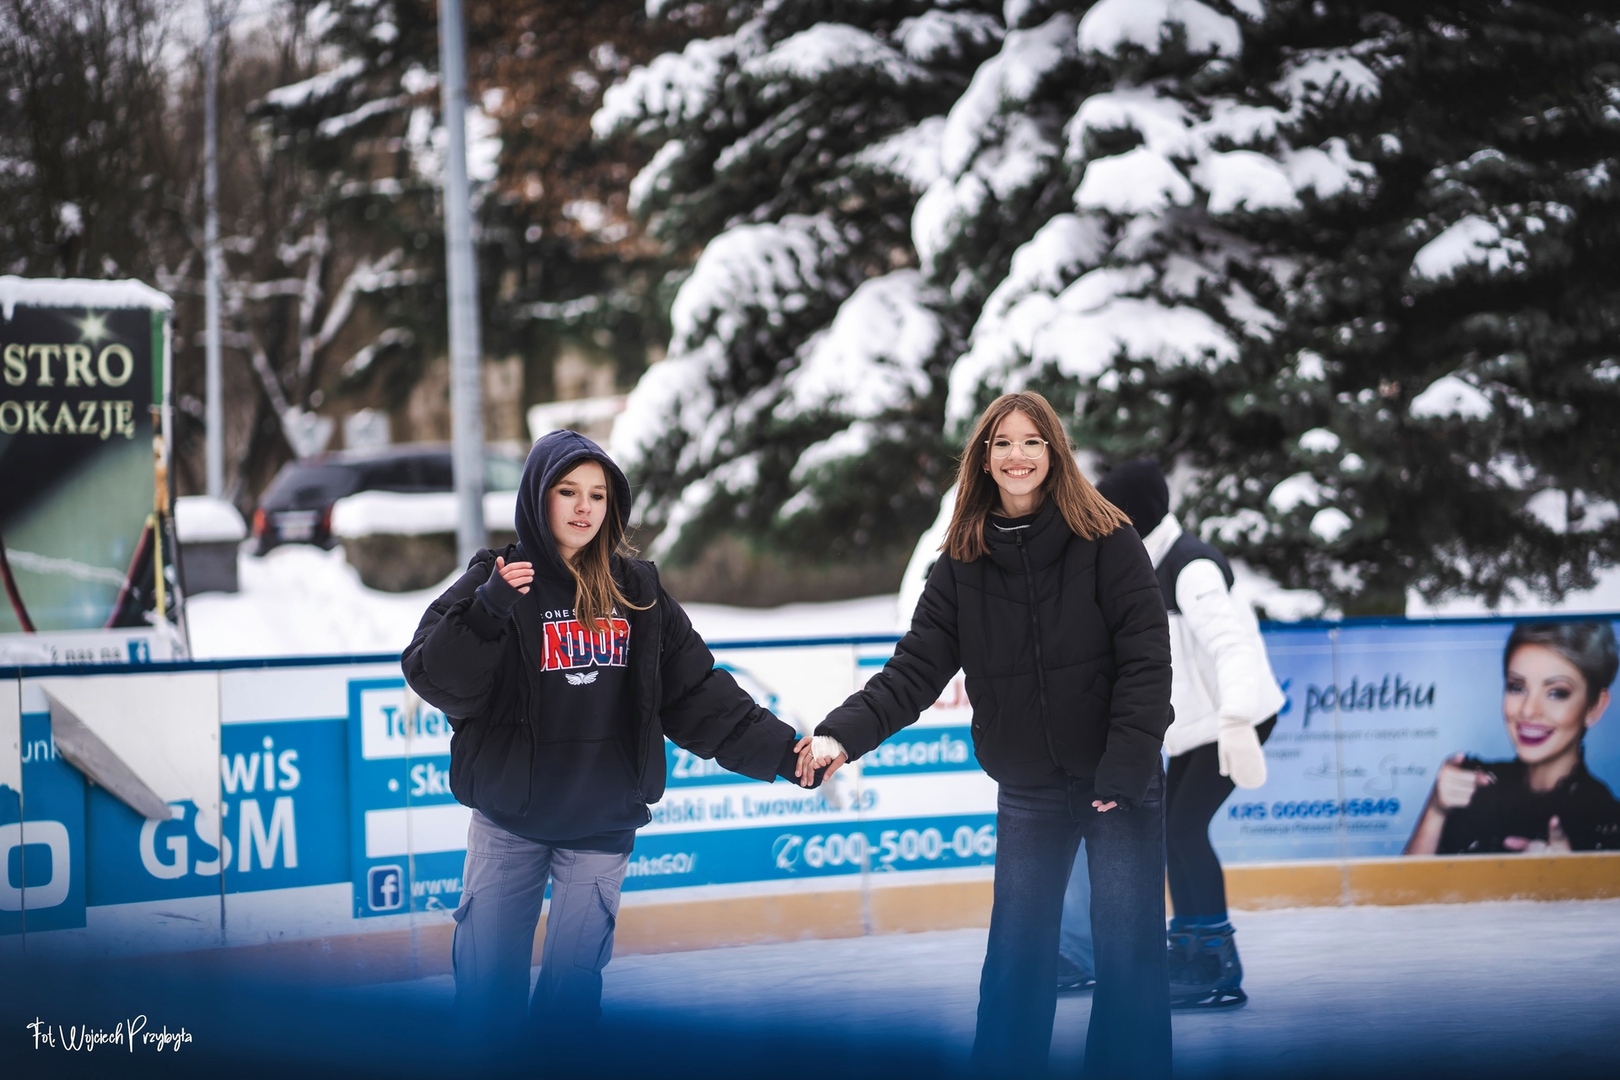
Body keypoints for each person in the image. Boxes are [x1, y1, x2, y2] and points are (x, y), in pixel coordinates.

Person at [402, 430, 822, 1042]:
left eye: (598, 495)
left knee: (570, 1011)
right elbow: (436, 678)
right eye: (567, 491)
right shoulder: (498, 580)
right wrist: (489, 608)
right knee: (487, 1002)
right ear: (536, 497)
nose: (583, 507)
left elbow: (697, 693)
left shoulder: (637, 593)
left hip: (599, 826)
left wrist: (784, 753)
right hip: (508, 823)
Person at [803, 392, 1174, 1079]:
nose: (1018, 455)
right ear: (983, 457)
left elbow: (1148, 661)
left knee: (1129, 958)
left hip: (1117, 782)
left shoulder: (1108, 540)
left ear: (1054, 452)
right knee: (1017, 958)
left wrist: (1125, 769)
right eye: (1002, 442)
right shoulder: (963, 563)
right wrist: (839, 736)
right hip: (1030, 788)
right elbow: (913, 671)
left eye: (1032, 441)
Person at [1054, 459, 1283, 1010]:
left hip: (1232, 721)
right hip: (1194, 730)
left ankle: (1213, 961)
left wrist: (1235, 719)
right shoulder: (1144, 561)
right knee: (1169, 833)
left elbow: (1233, 647)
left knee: (1182, 830)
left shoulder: (1191, 568)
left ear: (1136, 514)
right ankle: (1191, 950)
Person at [1405, 620, 1620, 855]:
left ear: (1595, 707)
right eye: (1517, 687)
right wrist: (1436, 810)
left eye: (1557, 693)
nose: (1528, 710)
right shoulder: (1473, 786)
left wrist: (1568, 882)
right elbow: (1398, 891)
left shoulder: (1607, 819)